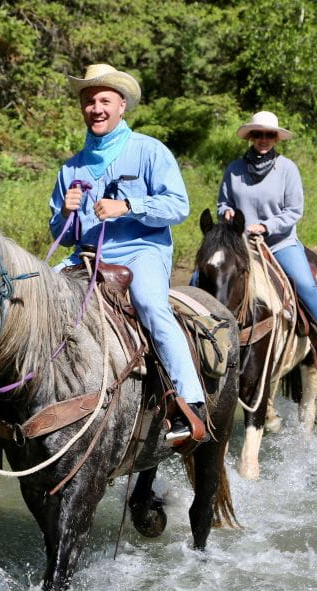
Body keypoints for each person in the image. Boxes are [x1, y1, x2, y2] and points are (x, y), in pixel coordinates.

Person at [49, 63, 204, 444]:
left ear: (122, 107)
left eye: (105, 100)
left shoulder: (150, 151)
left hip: (140, 251)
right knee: (35, 299)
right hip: (86, 257)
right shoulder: (70, 168)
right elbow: (61, 235)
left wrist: (128, 206)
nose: (96, 108)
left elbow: (178, 207)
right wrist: (67, 212)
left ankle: (191, 403)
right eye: (89, 101)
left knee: (151, 304)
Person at [217, 111, 317, 373]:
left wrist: (266, 226)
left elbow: (294, 210)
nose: (264, 139)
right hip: (241, 244)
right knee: (202, 277)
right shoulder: (234, 169)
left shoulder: (287, 169)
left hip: (279, 243)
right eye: (259, 134)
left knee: (306, 285)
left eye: (269, 135)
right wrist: (226, 213)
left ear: (276, 138)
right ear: (251, 137)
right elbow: (223, 202)